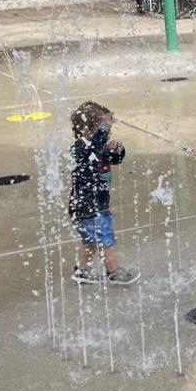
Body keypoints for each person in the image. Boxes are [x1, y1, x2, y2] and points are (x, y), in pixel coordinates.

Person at [69, 101, 139, 285]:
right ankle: (114, 273)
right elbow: (94, 145)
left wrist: (117, 149)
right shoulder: (80, 148)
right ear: (86, 130)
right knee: (104, 241)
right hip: (89, 206)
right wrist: (105, 126)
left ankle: (82, 271)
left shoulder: (98, 147)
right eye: (100, 128)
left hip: (95, 205)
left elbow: (115, 160)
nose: (107, 133)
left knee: (90, 242)